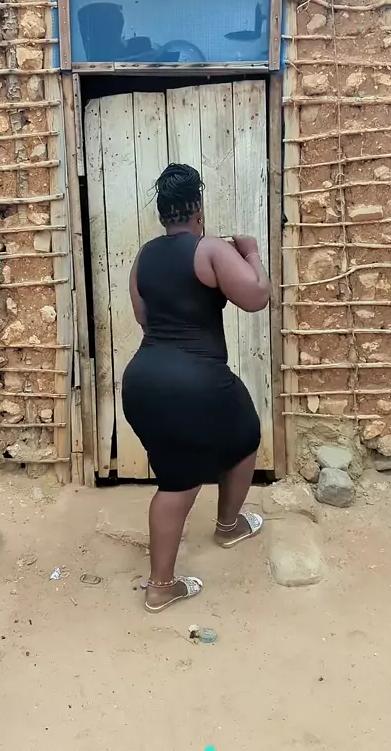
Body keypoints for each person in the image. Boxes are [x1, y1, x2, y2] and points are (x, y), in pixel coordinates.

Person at [122, 163, 271, 613]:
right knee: (188, 478)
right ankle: (168, 580)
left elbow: (144, 318)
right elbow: (256, 296)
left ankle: (221, 531)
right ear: (198, 209)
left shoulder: (144, 257)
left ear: (163, 214)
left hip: (142, 379)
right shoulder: (210, 249)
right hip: (195, 381)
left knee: (235, 436)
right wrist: (251, 252)